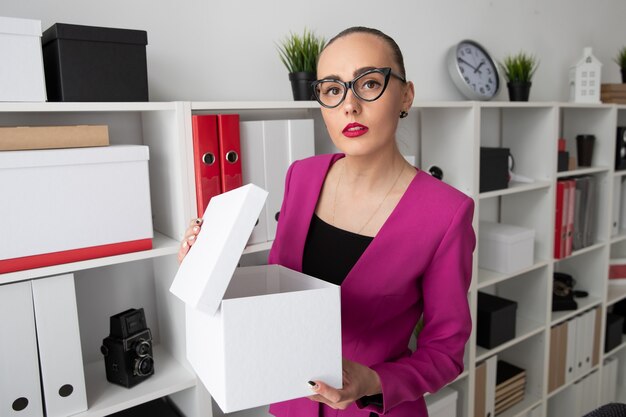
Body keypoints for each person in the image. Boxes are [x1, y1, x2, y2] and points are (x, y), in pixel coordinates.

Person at [178, 26, 475, 417]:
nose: (349, 106)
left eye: (369, 83)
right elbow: (281, 294)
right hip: (289, 405)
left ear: (406, 95)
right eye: (333, 90)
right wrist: (206, 269)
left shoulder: (447, 213)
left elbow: (445, 352)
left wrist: (373, 382)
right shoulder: (301, 176)